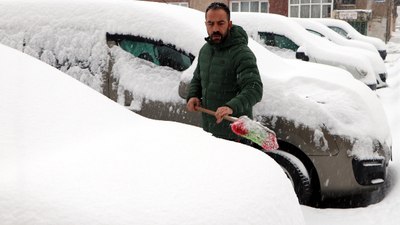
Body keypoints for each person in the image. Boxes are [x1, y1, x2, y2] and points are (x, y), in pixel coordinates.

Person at [186, 2, 263, 144]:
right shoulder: (206, 50)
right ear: (206, 24)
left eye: (220, 23)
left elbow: (254, 89)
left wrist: (231, 107)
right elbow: (198, 78)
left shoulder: (241, 53)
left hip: (236, 136)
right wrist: (193, 95)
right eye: (210, 23)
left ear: (229, 24)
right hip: (210, 132)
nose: (215, 28)